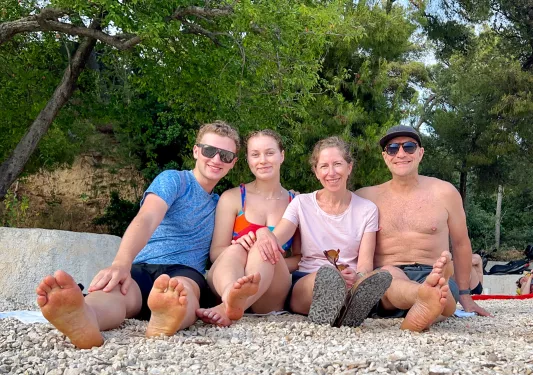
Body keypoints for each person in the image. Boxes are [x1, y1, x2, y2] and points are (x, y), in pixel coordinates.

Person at [35, 121, 240, 349]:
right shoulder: (174, 180)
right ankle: (86, 317)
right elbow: (147, 217)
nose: (216, 159)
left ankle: (165, 320)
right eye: (209, 150)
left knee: (183, 292)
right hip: (142, 266)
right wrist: (121, 263)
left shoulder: (223, 204)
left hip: (185, 271)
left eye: (225, 155)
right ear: (195, 151)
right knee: (114, 290)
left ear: (233, 163)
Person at [205, 136, 391, 327]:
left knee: (340, 279)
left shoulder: (367, 209)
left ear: (349, 167)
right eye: (324, 166)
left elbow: (365, 264)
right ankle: (339, 303)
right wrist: (263, 234)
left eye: (338, 164)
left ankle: (348, 302)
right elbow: (277, 238)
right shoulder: (301, 203)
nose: (332, 172)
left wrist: (358, 276)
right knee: (288, 259)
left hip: (345, 276)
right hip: (307, 277)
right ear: (316, 172)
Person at [356, 125, 491, 333]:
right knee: (389, 275)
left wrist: (466, 295)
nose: (401, 154)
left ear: (420, 153)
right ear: (385, 156)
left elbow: (461, 243)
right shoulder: (365, 197)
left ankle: (429, 298)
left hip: (432, 269)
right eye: (393, 148)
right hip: (389, 279)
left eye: (409, 147)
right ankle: (426, 297)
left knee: (442, 282)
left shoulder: (445, 192)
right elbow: (332, 211)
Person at [196, 129, 301, 326]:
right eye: (255, 154)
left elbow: (300, 258)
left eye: (269, 153)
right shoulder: (232, 198)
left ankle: (226, 308)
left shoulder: (296, 202)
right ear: (248, 160)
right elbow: (215, 253)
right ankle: (230, 297)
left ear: (282, 156)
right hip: (230, 275)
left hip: (269, 294)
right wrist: (243, 251)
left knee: (265, 247)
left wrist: (263, 258)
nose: (262, 160)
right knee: (237, 248)